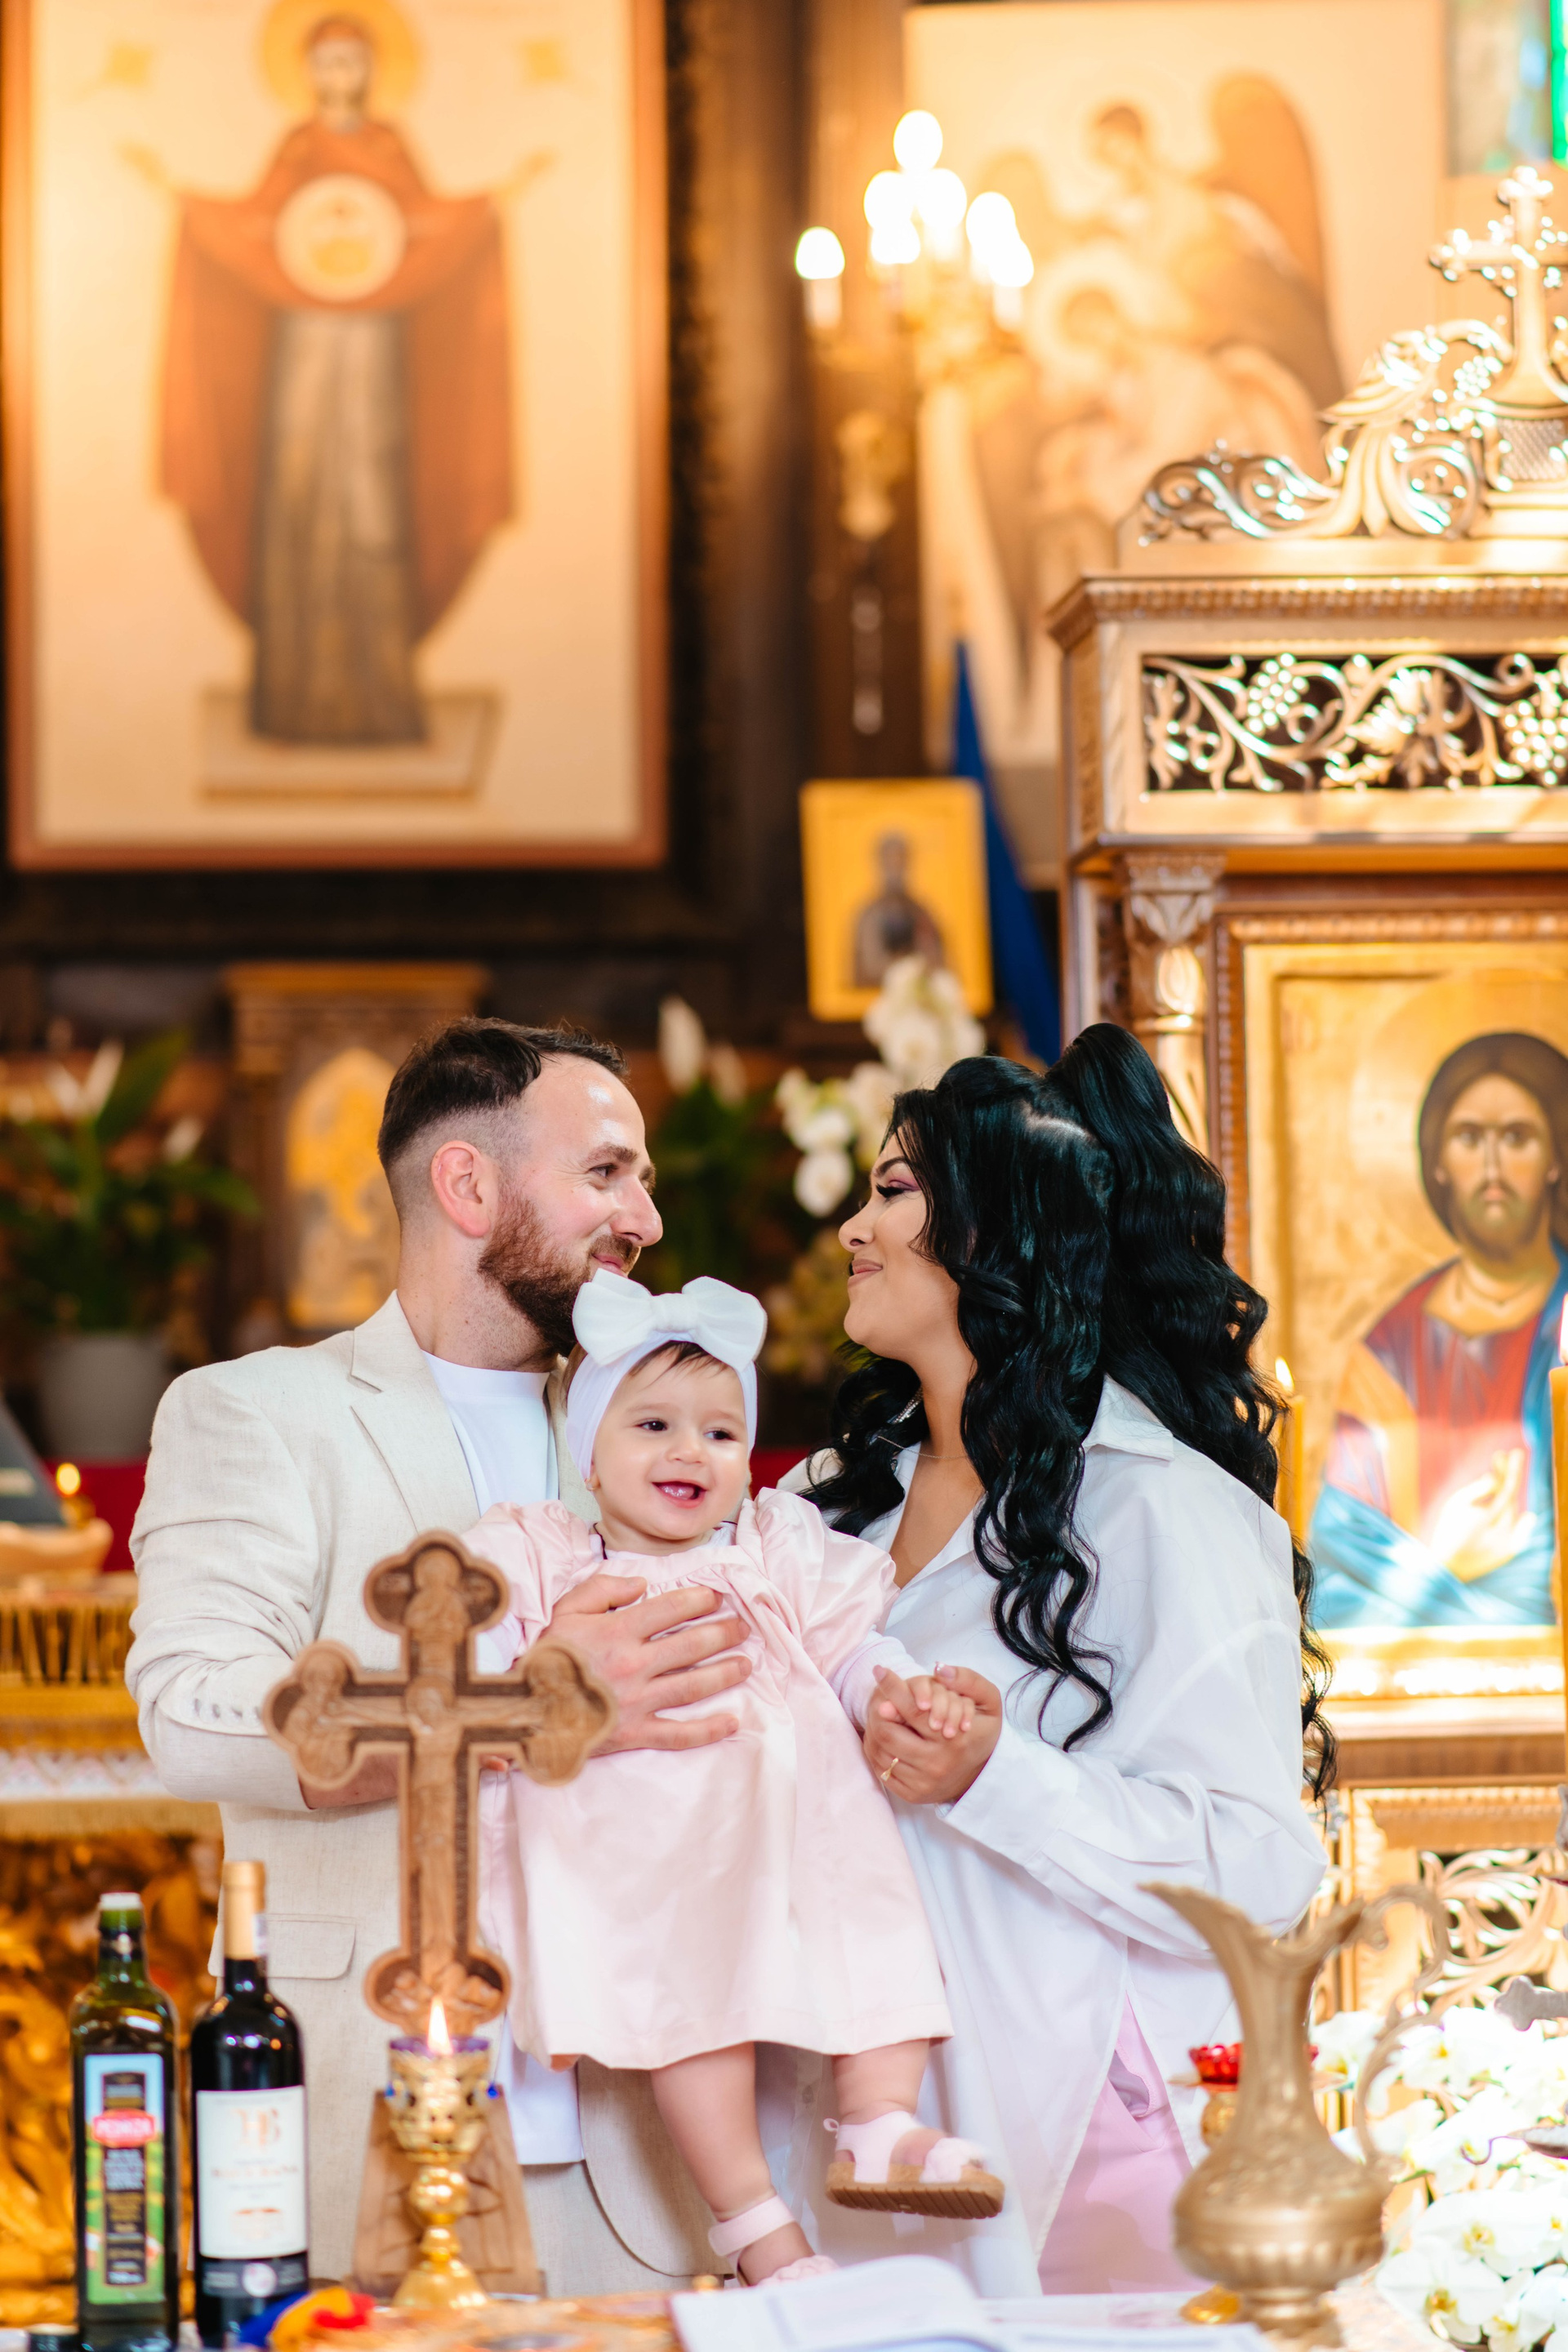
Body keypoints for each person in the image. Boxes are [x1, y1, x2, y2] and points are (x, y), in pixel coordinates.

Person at [126, 1018, 751, 2287]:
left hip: (645, 2137)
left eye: (640, 1180)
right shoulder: (259, 1412)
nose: (645, 1219)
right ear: (467, 1184)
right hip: (378, 2099)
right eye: (606, 1173)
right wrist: (525, 1710)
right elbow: (190, 1712)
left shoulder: (667, 1431)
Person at [773, 1030, 1329, 2293]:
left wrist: (992, 1775)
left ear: (997, 1230)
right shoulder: (820, 1506)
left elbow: (1257, 1864)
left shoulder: (1159, 1510)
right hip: (839, 2129)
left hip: (1079, 2123)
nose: (853, 1230)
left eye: (893, 1191)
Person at [466, 1268, 999, 2287]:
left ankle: (879, 2123)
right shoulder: (550, 1561)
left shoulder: (773, 1548)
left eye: (720, 1433)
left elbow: (853, 1646)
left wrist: (898, 1692)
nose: (689, 1452)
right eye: (653, 1425)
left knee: (881, 1932)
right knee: (696, 2019)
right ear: (588, 1453)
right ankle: (756, 2230)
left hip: (809, 1826)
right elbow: (476, 1676)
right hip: (659, 1852)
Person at [1312, 1031, 1568, 1627]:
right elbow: (1338, 1560)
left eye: (1517, 1137)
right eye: (1470, 1138)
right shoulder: (1390, 1349)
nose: (1493, 1166)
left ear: (1555, 1158)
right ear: (1440, 1164)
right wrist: (1447, 1561)